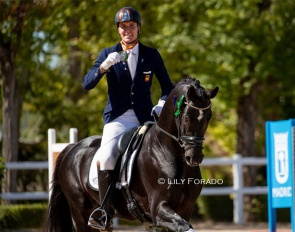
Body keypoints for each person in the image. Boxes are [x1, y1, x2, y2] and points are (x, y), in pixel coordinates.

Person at [82, 6, 174, 230]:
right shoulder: (107, 53)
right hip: (117, 119)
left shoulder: (151, 55)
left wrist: (161, 104)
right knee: (106, 157)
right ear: (118, 30)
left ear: (139, 29)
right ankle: (105, 211)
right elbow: (87, 84)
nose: (127, 30)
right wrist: (102, 68)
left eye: (131, 26)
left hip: (146, 118)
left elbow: (167, 87)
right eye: (123, 27)